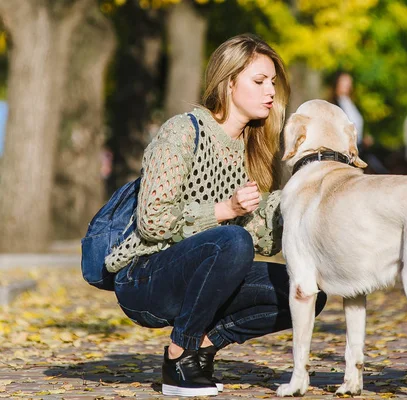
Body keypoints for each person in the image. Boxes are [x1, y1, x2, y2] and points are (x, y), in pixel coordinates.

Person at [104, 34, 327, 397]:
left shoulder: (255, 149)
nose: (270, 90)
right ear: (228, 83)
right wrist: (225, 210)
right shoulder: (182, 132)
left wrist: (307, 198)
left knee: (306, 291)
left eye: (273, 81)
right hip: (144, 277)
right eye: (259, 81)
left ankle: (203, 346)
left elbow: (265, 239)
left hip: (208, 272)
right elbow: (152, 220)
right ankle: (178, 358)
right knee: (232, 240)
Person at [331, 71, 388, 174]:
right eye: (344, 81)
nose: (347, 85)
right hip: (347, 151)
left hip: (360, 147)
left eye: (349, 82)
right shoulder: (334, 104)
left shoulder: (351, 102)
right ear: (337, 83)